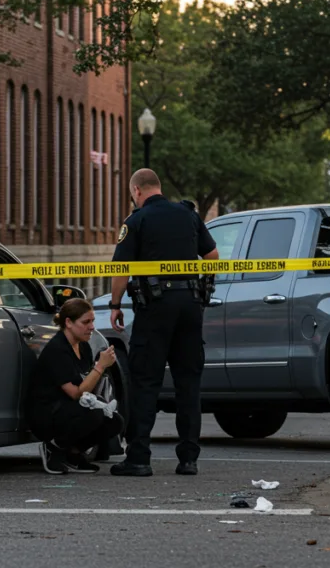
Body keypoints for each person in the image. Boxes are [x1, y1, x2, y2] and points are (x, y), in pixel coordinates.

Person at [107, 169, 219, 477]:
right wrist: (203, 289)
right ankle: (189, 459)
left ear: (137, 191)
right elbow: (212, 255)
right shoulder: (189, 215)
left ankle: (139, 459)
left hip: (154, 307)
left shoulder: (136, 221)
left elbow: (122, 268)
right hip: (190, 307)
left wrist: (115, 305)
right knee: (188, 383)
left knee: (145, 382)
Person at [28, 298, 124, 475]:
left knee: (114, 420)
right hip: (47, 413)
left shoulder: (84, 347)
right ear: (68, 323)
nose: (92, 327)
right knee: (94, 413)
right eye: (86, 322)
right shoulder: (57, 349)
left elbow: (86, 387)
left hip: (70, 410)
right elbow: (75, 393)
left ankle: (73, 454)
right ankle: (54, 448)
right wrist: (100, 366)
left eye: (92, 321)